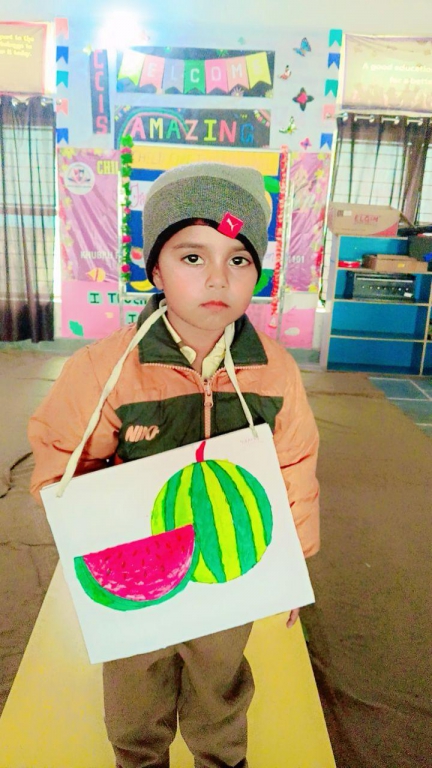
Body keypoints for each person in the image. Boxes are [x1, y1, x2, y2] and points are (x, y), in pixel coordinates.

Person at [28, 162, 320, 768]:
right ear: (156, 270)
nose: (218, 277)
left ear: (257, 273)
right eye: (192, 257)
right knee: (134, 691)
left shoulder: (275, 370)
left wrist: (291, 566)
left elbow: (295, 464)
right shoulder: (103, 368)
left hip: (229, 569)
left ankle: (221, 760)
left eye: (238, 259)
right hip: (138, 571)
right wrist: (90, 538)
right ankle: (139, 760)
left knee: (221, 685)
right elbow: (63, 460)